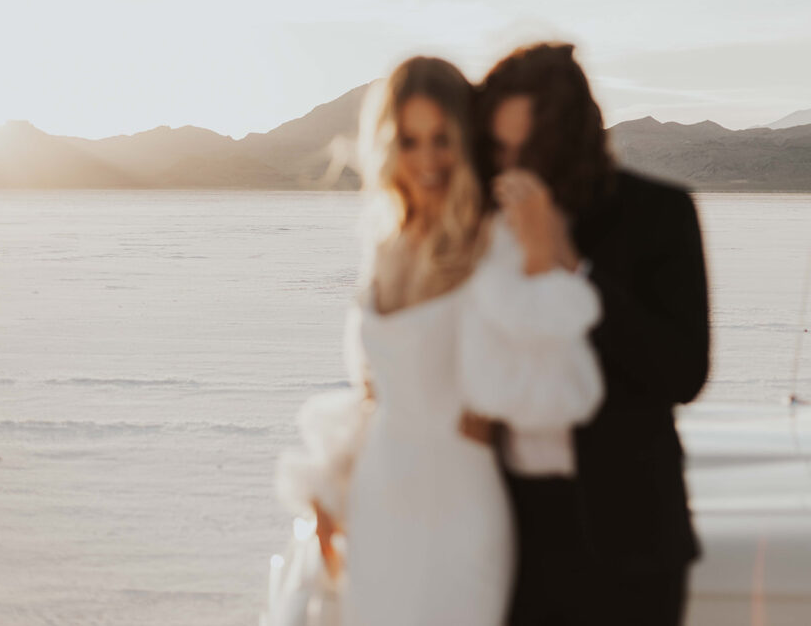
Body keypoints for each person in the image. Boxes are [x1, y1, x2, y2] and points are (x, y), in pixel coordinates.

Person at [274, 55, 605, 626]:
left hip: (460, 502)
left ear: (464, 140)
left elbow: (556, 381)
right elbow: (373, 393)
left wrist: (539, 259)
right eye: (410, 140)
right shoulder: (385, 246)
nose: (427, 160)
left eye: (442, 139)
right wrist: (332, 490)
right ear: (388, 146)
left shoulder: (494, 241)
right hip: (379, 499)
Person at [472, 42, 711, 625]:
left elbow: (683, 372)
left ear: (572, 139)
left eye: (529, 151)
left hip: (631, 540)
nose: (513, 170)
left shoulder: (660, 213)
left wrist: (570, 264)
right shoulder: (480, 223)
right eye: (500, 150)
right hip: (509, 535)